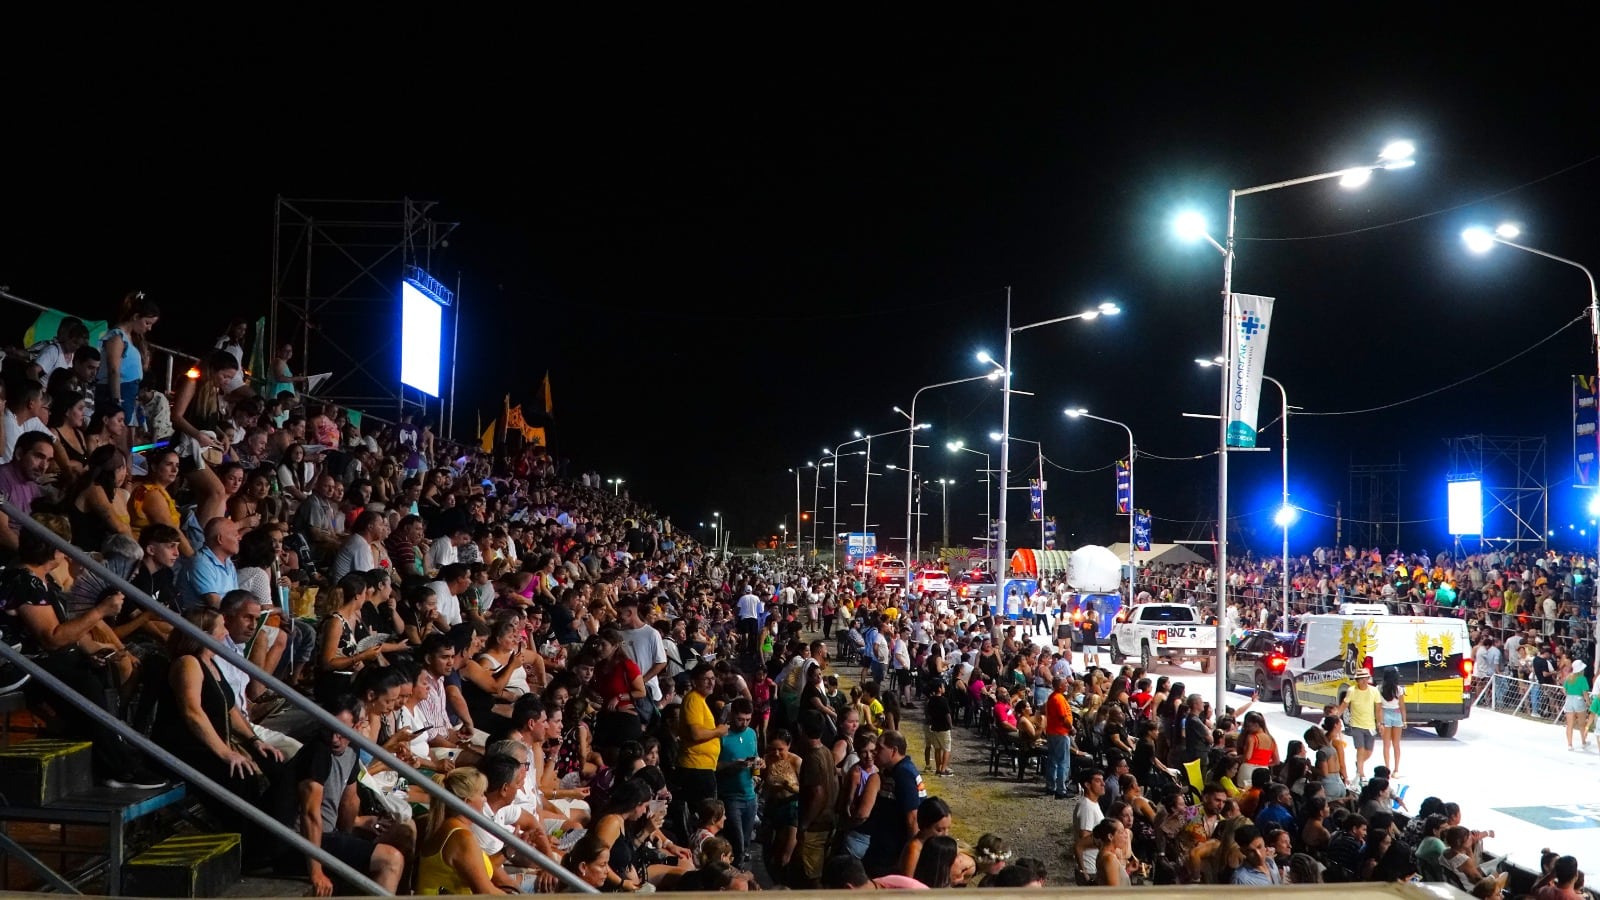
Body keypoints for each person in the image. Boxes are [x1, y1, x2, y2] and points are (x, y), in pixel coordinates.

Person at [153, 608, 295, 864]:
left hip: (219, 741)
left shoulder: (211, 661)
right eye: (220, 627)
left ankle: (273, 845)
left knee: (279, 769)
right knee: (242, 775)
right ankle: (252, 852)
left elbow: (231, 711)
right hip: (189, 746)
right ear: (204, 633)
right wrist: (225, 752)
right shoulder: (188, 662)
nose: (225, 632)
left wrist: (255, 741)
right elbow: (192, 713)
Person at [289, 696, 406, 895]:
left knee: (403, 830)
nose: (335, 738)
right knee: (391, 859)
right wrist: (316, 872)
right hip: (299, 841)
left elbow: (350, 800)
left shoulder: (352, 748)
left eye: (341, 732)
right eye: (329, 730)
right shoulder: (319, 752)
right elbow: (309, 814)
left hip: (330, 833)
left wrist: (359, 823)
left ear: (356, 726)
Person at [415, 767, 503, 895]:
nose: (485, 800)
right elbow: (486, 891)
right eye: (482, 794)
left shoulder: (445, 826)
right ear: (467, 802)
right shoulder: (461, 837)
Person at [860, 729, 925, 878]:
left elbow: (912, 817)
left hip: (892, 852)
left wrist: (911, 854)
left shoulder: (903, 774)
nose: (875, 751)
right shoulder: (897, 771)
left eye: (880, 748)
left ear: (894, 750)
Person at [95, 292, 159, 440]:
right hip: (118, 391)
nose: (149, 328)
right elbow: (113, 370)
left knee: (126, 442)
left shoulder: (132, 339)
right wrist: (117, 400)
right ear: (136, 317)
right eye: (147, 323)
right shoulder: (117, 336)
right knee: (117, 439)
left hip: (129, 392)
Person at [1340, 668, 1382, 780]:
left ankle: (1359, 764)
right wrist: (1336, 716)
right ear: (1357, 680)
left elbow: (1378, 709)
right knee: (1360, 749)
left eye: (1366, 678)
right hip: (1356, 724)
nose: (1364, 681)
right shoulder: (1351, 690)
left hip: (1370, 725)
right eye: (1362, 679)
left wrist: (1380, 723)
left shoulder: (1374, 691)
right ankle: (1361, 772)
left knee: (1369, 751)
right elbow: (1344, 705)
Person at [1378, 666, 1407, 774]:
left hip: (1385, 714)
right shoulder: (1399, 689)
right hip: (1396, 714)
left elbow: (1379, 706)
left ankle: (1387, 768)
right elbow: (1402, 706)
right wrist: (1404, 720)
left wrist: (1379, 721)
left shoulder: (1379, 688)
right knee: (1396, 744)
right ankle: (1396, 769)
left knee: (1386, 745)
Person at [1563, 659, 1590, 751]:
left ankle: (1570, 744)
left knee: (1569, 724)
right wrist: (1589, 703)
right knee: (1582, 723)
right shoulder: (1583, 679)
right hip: (1579, 700)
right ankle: (1583, 742)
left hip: (1569, 700)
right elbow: (1585, 693)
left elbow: (1564, 690)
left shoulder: (1568, 677)